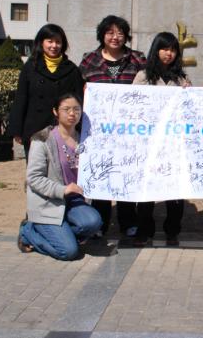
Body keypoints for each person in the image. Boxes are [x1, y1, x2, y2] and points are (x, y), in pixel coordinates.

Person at [79, 15, 146, 238]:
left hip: (130, 132)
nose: (115, 37)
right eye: (110, 32)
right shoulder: (89, 60)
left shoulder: (137, 59)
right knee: (102, 176)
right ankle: (100, 223)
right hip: (99, 133)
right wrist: (84, 91)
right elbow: (76, 88)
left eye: (120, 33)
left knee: (126, 175)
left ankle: (128, 222)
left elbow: (151, 88)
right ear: (102, 35)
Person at [17, 93, 102, 261]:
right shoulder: (42, 140)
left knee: (93, 223)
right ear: (55, 112)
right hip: (49, 203)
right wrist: (62, 190)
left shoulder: (86, 139)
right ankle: (28, 232)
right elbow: (34, 178)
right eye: (66, 109)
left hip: (74, 201)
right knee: (68, 252)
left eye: (76, 109)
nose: (72, 113)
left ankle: (63, 233)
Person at [132, 32, 191, 247]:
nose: (169, 53)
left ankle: (172, 231)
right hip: (149, 143)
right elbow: (133, 107)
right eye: (165, 48)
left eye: (173, 50)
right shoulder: (143, 77)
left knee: (175, 191)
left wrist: (192, 93)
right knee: (146, 190)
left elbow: (189, 110)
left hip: (174, 145)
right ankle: (144, 230)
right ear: (156, 50)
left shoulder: (181, 79)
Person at [8, 24, 84, 157]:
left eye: (58, 42)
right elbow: (21, 98)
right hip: (35, 128)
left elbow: (79, 100)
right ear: (41, 42)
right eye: (50, 41)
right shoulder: (30, 67)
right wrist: (17, 130)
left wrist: (81, 128)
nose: (54, 46)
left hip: (64, 130)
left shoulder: (72, 69)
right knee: (37, 168)